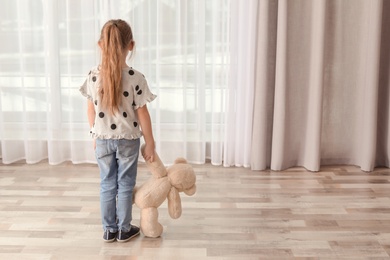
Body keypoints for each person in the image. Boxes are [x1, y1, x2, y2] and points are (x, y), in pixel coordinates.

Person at [79, 19, 156, 243]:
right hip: (127, 141)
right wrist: (150, 142)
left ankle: (108, 230)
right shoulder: (136, 78)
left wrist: (94, 134)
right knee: (125, 184)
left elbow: (90, 108)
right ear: (130, 45)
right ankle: (124, 229)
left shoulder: (94, 76)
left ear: (100, 44)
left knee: (107, 183)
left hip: (102, 140)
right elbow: (143, 114)